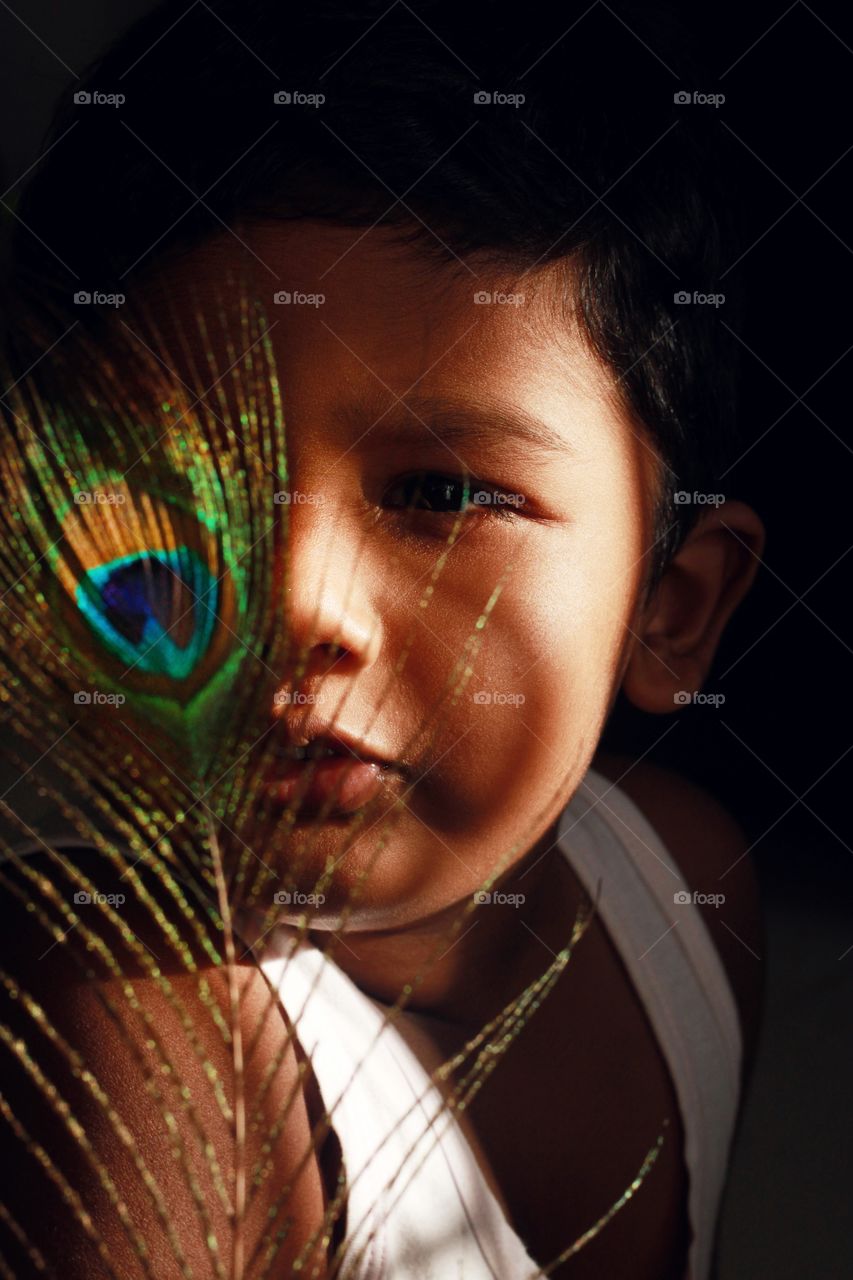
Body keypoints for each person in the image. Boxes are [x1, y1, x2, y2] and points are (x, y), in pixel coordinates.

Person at [0, 2, 765, 1276]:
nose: (296, 602)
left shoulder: (679, 887)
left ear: (670, 607)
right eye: (172, 496)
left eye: (440, 495)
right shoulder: (128, 1011)